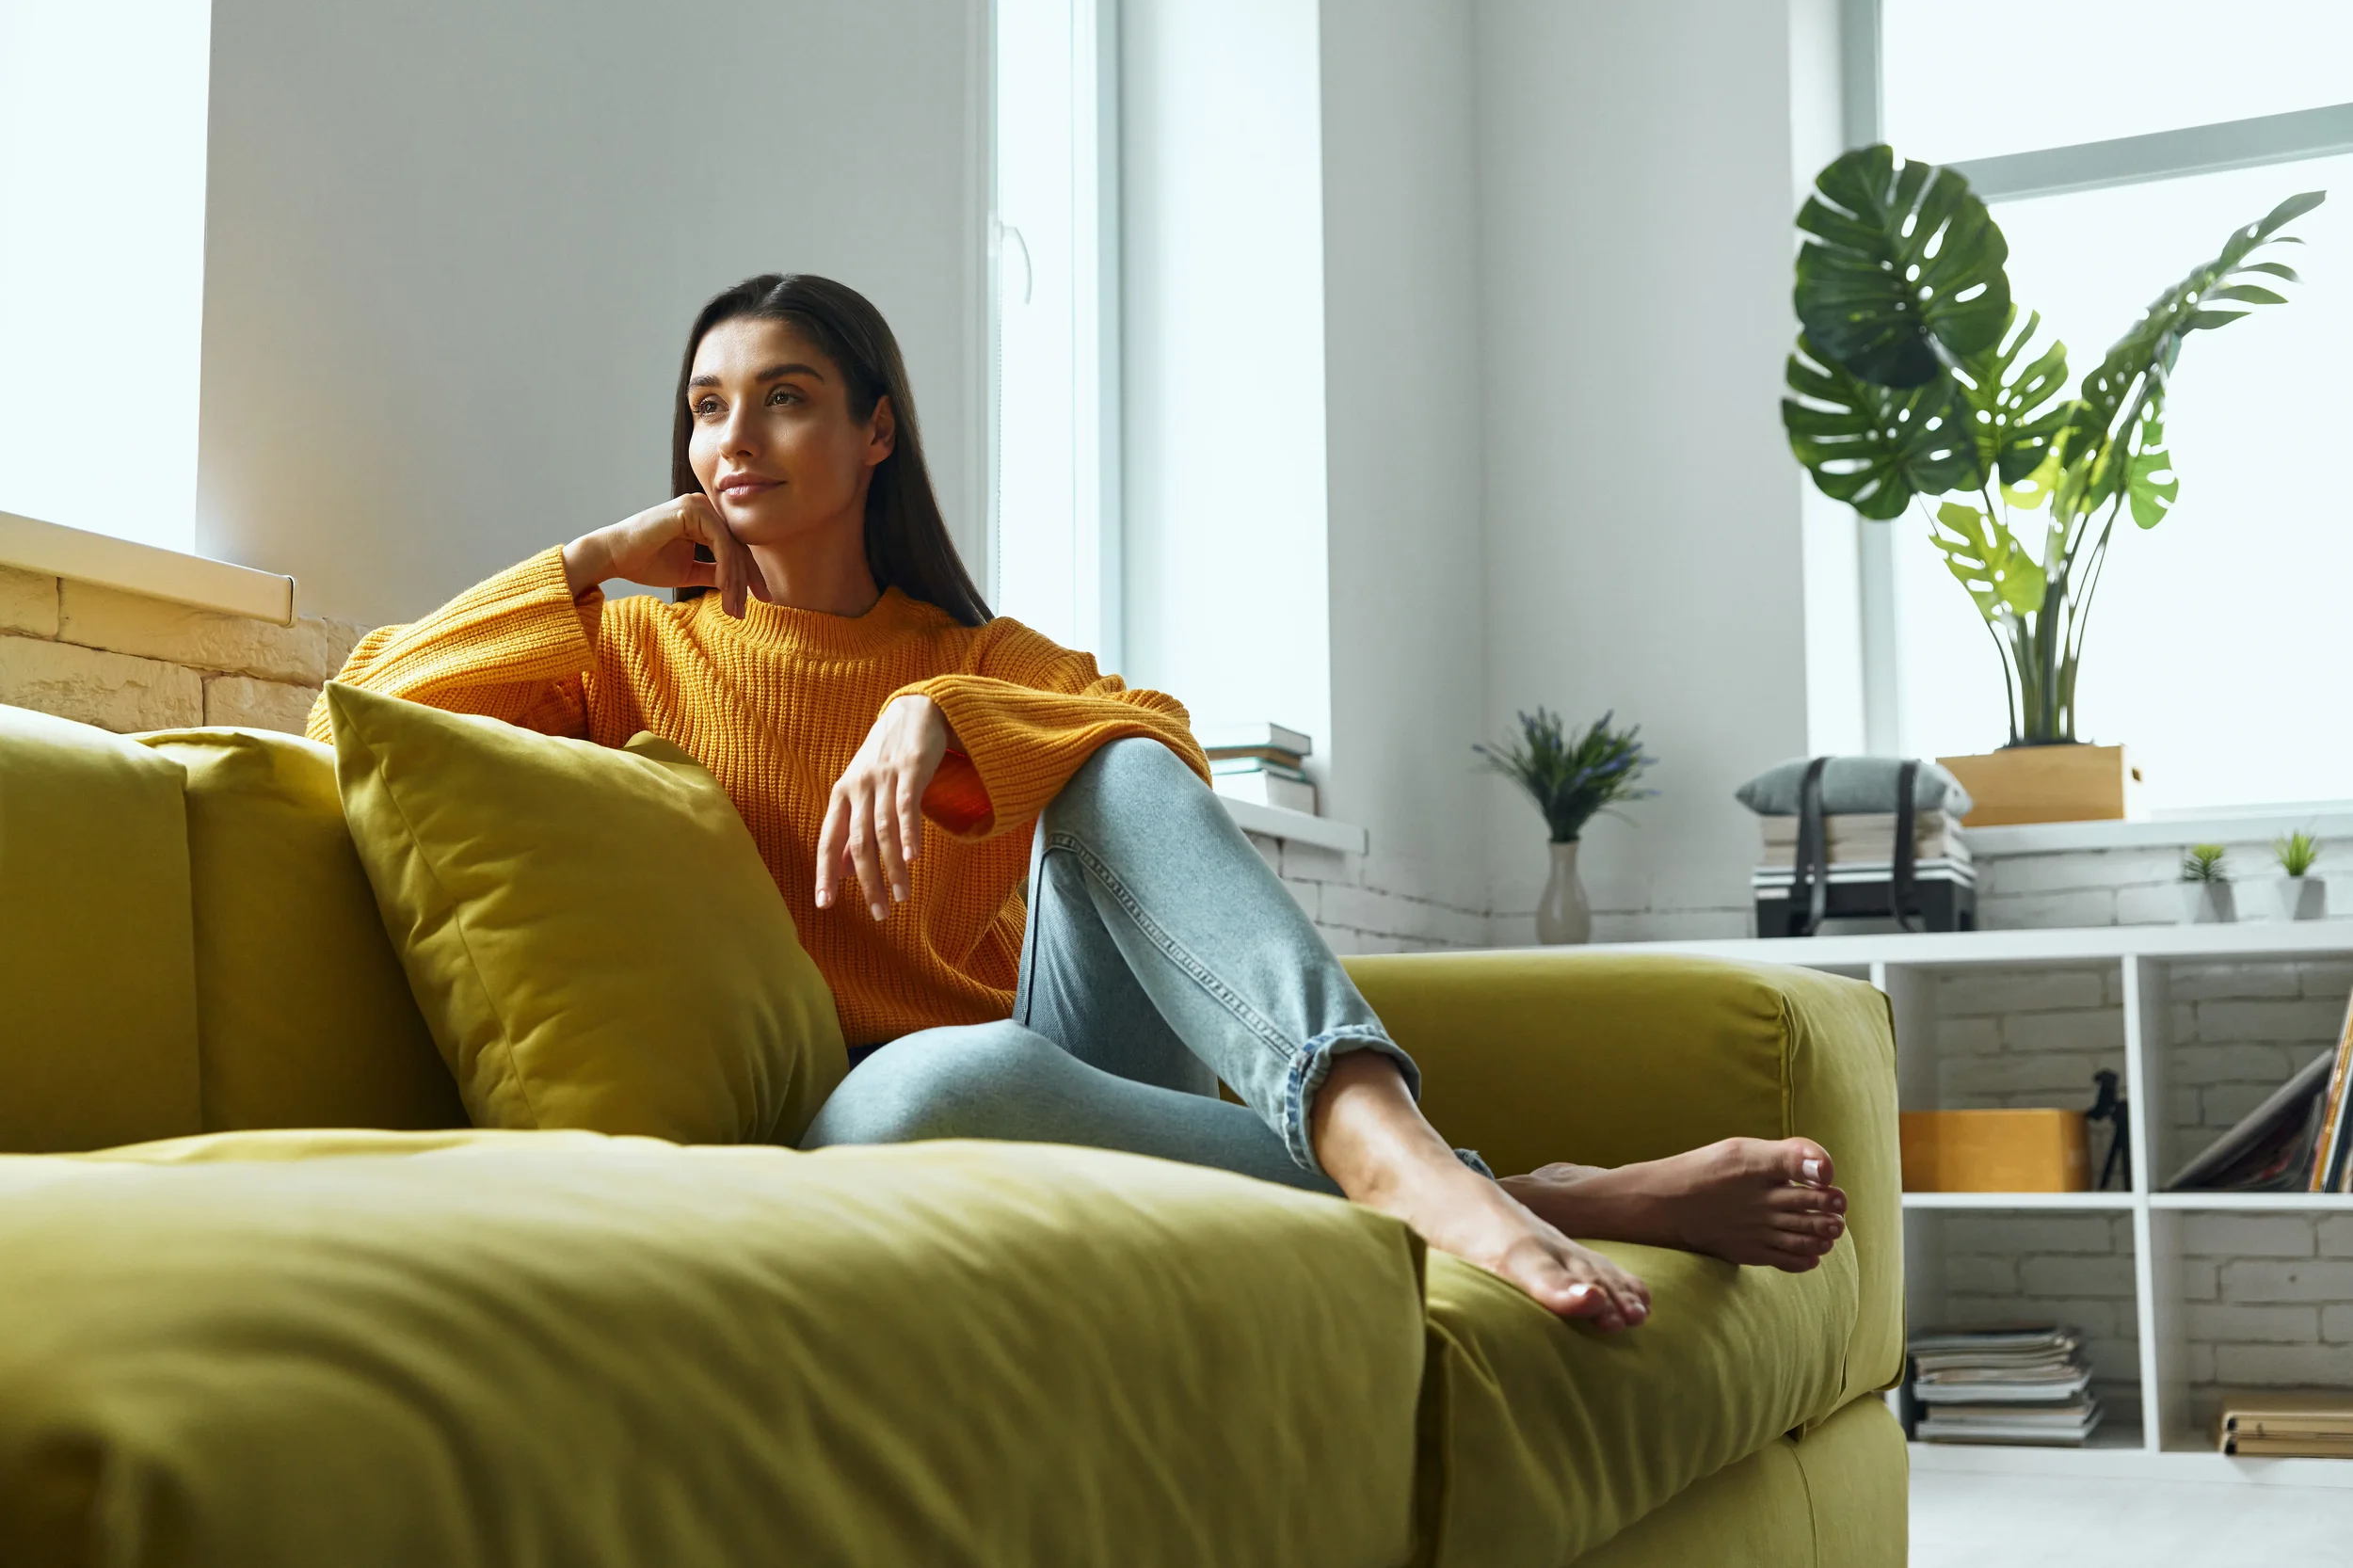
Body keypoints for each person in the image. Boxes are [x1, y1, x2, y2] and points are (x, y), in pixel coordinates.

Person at [312, 273, 1848, 1330]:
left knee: (1113, 757)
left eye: (785, 399)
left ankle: (1381, 1140)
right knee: (938, 1082)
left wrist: (938, 712)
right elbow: (364, 706)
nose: (735, 439)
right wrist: (587, 561)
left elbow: (1160, 744)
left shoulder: (972, 655)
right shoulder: (633, 648)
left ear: (875, 432)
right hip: (876, 1113)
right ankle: (1534, 1191)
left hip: (1066, 1065)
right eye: (709, 406)